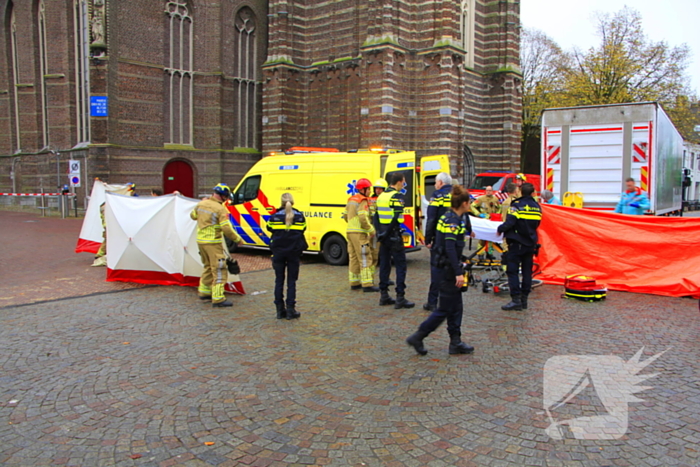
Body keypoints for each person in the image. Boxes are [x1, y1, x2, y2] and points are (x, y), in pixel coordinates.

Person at [406, 185, 475, 356]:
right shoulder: (452, 221)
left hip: (446, 266)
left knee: (456, 306)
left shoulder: (450, 217)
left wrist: (461, 260)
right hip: (448, 270)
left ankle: (455, 341)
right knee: (444, 308)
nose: (471, 205)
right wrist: (458, 271)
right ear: (464, 203)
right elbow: (450, 248)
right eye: (469, 202)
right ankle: (419, 336)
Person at [190, 184, 243, 307]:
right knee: (219, 269)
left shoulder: (201, 204)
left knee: (208, 266)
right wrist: (237, 239)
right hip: (213, 242)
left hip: (200, 241)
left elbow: (192, 216)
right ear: (223, 196)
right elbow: (226, 228)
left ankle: (204, 291)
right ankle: (218, 298)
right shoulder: (220, 209)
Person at [497, 182, 542, 311]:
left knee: (513, 271)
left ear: (521, 192)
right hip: (530, 243)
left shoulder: (516, 205)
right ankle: (524, 300)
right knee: (527, 272)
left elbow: (510, 222)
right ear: (532, 193)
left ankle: (515, 300)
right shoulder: (536, 206)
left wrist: (500, 229)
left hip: (516, 243)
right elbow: (537, 223)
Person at [376, 172, 415, 309]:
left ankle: (384, 295)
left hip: (384, 235)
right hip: (393, 234)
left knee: (385, 265)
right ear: (398, 182)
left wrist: (380, 232)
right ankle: (400, 297)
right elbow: (397, 215)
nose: (403, 185)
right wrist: (387, 232)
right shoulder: (396, 196)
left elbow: (376, 216)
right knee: (400, 266)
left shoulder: (381, 196)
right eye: (403, 182)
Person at [266, 193, 308, 320]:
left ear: (281, 202)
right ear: (292, 202)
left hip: (278, 252)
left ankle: (279, 310)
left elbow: (269, 228)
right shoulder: (300, 217)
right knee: (291, 282)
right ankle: (290, 310)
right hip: (293, 252)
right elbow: (302, 230)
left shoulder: (274, 217)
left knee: (279, 280)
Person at [423, 172, 453, 312]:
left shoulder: (437, 195)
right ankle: (450, 301)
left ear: (440, 183)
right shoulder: (457, 195)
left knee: (437, 269)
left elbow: (431, 218)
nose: (435, 185)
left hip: (440, 238)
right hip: (455, 237)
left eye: (436, 182)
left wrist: (428, 238)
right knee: (452, 269)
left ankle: (432, 302)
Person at [343, 179, 378, 292]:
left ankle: (354, 282)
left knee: (353, 257)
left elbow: (345, 216)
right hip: (360, 233)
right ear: (363, 189)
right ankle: (367, 284)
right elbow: (363, 217)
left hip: (350, 232)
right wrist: (371, 230)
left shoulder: (351, 200)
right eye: (368, 189)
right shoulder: (362, 201)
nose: (369, 191)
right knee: (365, 257)